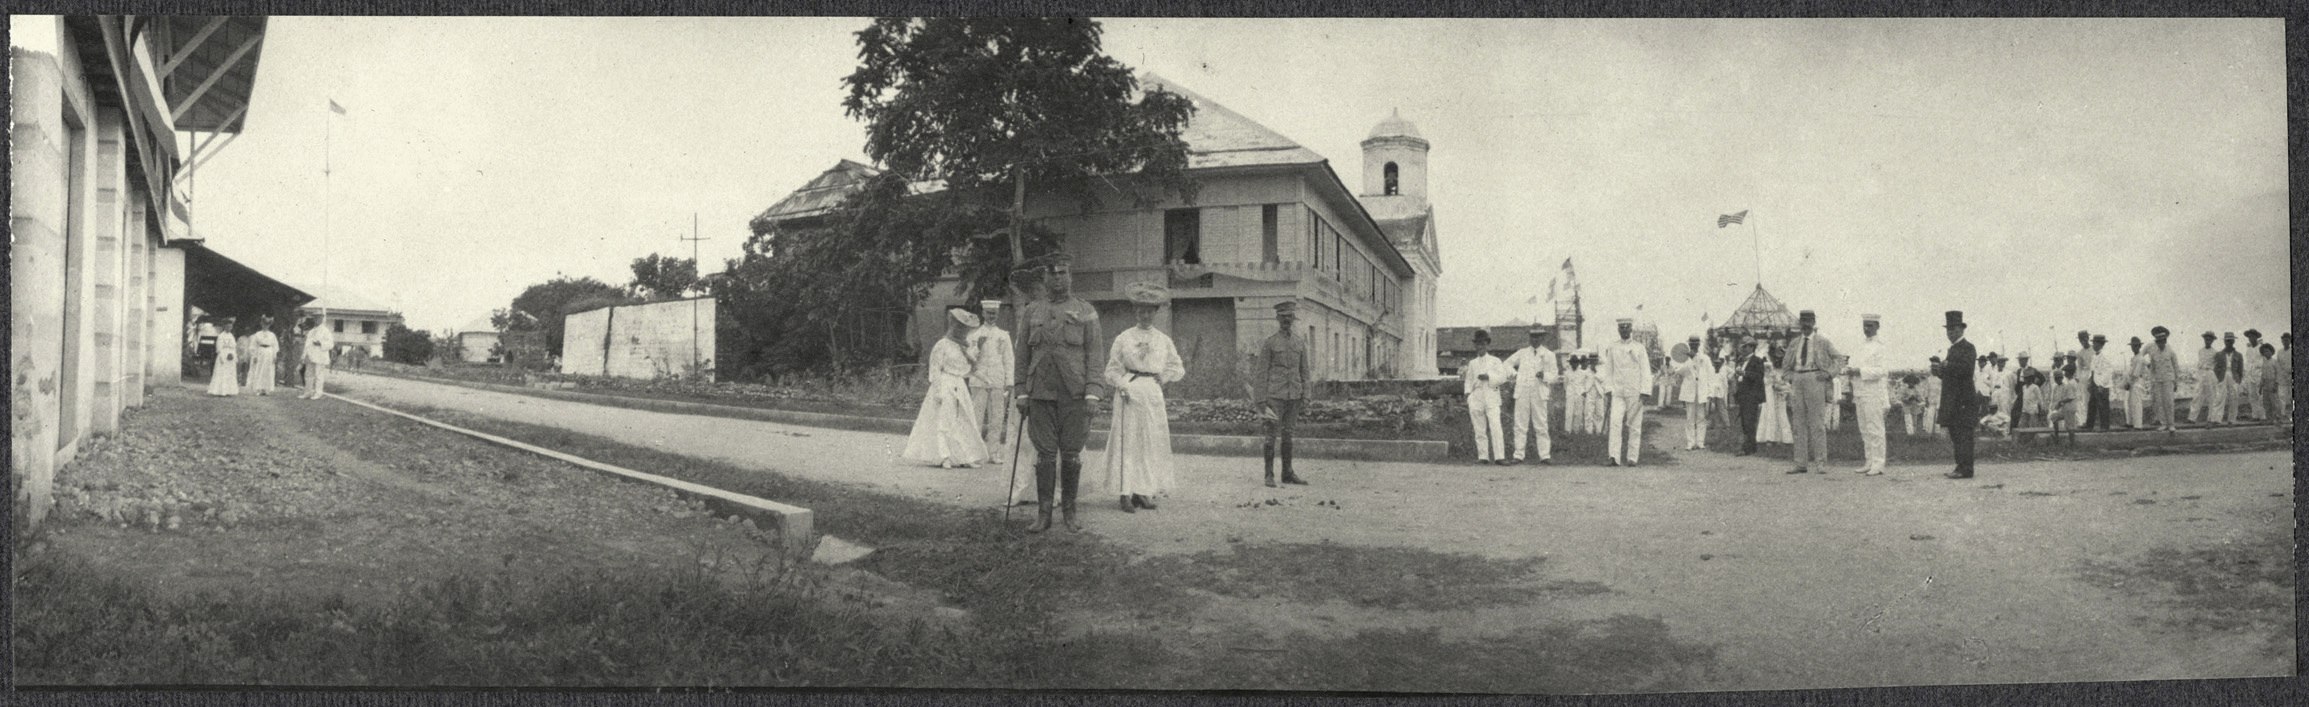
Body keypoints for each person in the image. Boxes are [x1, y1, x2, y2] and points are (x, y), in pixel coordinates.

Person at [1013, 256, 1105, 533]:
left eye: (1063, 273)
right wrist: (1020, 391)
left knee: (1072, 455)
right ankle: (1044, 515)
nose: (1058, 279)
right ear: (1045, 279)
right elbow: (1022, 355)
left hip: (1074, 394)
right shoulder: (1032, 311)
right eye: (1052, 275)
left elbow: (1095, 354)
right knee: (1044, 455)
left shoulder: (1085, 311)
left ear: (1070, 277)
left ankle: (1070, 512)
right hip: (1039, 392)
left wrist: (1093, 392)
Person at [1103, 281, 1186, 513]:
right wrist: (1121, 385)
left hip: (1152, 393)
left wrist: (1165, 378)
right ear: (1135, 311)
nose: (1145, 315)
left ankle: (1143, 491)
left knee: (1150, 442)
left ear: (1156, 312)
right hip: (1129, 391)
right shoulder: (1124, 337)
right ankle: (1124, 493)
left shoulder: (1163, 339)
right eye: (1141, 310)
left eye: (1150, 311)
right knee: (1127, 442)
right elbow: (1112, 370)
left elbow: (1177, 366)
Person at [903, 307, 990, 469]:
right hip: (945, 384)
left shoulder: (964, 347)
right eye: (960, 328)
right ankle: (945, 456)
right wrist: (938, 391)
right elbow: (935, 369)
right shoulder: (942, 345)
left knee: (964, 420)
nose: (962, 331)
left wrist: (986, 380)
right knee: (945, 420)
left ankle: (965, 456)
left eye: (965, 329)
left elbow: (968, 369)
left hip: (959, 386)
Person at [1249, 300, 1310, 488]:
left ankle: (1288, 473)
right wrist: (1260, 400)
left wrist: (1306, 395)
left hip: (1294, 397)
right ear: (1277, 318)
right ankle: (1269, 475)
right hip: (1275, 396)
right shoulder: (1270, 343)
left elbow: (1305, 372)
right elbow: (1261, 373)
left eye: (1289, 317)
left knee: (1288, 435)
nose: (1286, 320)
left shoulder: (1300, 343)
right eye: (1283, 317)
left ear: (1293, 319)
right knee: (1271, 436)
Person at [1783, 310, 1843, 474]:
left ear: (1814, 322)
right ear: (1799, 323)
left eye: (1809, 321)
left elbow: (1839, 358)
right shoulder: (1795, 343)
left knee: (1817, 423)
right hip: (1798, 380)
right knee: (1798, 423)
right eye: (1803, 321)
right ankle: (1800, 463)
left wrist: (1829, 373)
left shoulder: (1823, 341)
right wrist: (1790, 377)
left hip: (1815, 379)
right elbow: (1785, 364)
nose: (1806, 324)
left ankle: (1820, 463)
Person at [966, 298, 1016, 465]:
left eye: (994, 313)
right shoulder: (974, 335)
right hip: (979, 381)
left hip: (997, 381)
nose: (991, 316)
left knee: (997, 418)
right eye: (988, 313)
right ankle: (975, 453)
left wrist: (1009, 381)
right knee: (977, 417)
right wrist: (977, 347)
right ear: (983, 313)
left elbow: (1009, 360)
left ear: (998, 314)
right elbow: (969, 359)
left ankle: (993, 452)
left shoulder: (1003, 336)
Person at [1502, 328, 1560, 464]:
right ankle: (1518, 455)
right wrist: (1515, 375)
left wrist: (1544, 375)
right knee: (1520, 424)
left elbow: (1555, 375)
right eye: (1533, 336)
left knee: (1541, 424)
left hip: (1539, 391)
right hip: (1522, 391)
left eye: (1538, 336)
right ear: (1530, 337)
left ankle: (1545, 456)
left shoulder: (1549, 354)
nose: (1535, 339)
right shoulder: (1522, 353)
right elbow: (1506, 364)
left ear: (1542, 338)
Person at [1600, 317, 1653, 467]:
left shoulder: (1639, 347)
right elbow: (1608, 370)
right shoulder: (1612, 347)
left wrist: (1645, 391)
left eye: (1626, 328)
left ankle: (1632, 457)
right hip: (1618, 392)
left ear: (1631, 329)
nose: (1624, 330)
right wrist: (1608, 389)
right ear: (1618, 330)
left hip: (1635, 392)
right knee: (1615, 423)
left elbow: (1646, 371)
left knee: (1634, 425)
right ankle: (1614, 457)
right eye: (1621, 328)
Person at [1935, 311, 1979, 479]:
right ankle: (1960, 466)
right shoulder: (1953, 349)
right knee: (1956, 434)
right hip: (1954, 400)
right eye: (1948, 330)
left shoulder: (1968, 347)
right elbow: (1952, 374)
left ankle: (1966, 469)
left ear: (1961, 330)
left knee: (1964, 435)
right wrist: (1940, 371)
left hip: (1964, 401)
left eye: (1953, 329)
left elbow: (1967, 370)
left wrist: (1948, 365)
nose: (1950, 333)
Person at [1849, 314, 1890, 474]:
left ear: (1877, 326)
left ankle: (1879, 463)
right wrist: (1852, 371)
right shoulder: (1861, 346)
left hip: (1874, 392)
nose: (1866, 329)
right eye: (1865, 325)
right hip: (1860, 391)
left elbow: (1882, 371)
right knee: (1864, 429)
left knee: (1875, 428)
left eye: (1870, 326)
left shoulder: (1881, 346)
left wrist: (1860, 371)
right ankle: (1869, 461)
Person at [1462, 330, 1508, 465]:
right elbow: (1468, 380)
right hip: (1477, 396)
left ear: (1487, 345)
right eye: (1477, 344)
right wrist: (1468, 395)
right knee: (1479, 428)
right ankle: (1483, 457)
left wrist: (1489, 377)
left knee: (1495, 426)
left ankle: (1500, 457)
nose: (1480, 346)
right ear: (1475, 346)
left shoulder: (1495, 361)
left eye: (1483, 344)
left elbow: (1502, 378)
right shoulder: (1472, 363)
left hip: (1491, 394)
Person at [1733, 336, 1768, 455]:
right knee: (1744, 421)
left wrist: (1745, 373)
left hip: (1752, 395)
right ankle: (1750, 446)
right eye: (1742, 347)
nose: (1743, 349)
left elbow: (1759, 377)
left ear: (1752, 347)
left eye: (1745, 347)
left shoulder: (1757, 361)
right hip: (1743, 394)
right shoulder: (1740, 360)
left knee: (1749, 421)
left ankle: (1748, 447)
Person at [1675, 335, 1711, 451]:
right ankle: (1690, 442)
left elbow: (1710, 374)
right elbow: (1680, 371)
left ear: (1699, 344)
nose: (1694, 345)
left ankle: (1700, 442)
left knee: (1701, 417)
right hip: (1689, 390)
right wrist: (1690, 359)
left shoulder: (1705, 358)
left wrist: (1709, 392)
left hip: (1701, 390)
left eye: (1696, 343)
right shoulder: (1684, 359)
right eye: (1692, 343)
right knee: (1690, 417)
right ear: (1689, 344)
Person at [1758, 343, 1795, 447]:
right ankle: (1769, 437)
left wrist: (1783, 387)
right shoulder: (1768, 367)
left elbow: (1787, 382)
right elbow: (1765, 380)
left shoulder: (1785, 370)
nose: (1779, 360)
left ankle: (1784, 438)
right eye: (1777, 357)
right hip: (1770, 392)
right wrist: (1772, 382)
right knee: (1770, 412)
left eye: (1781, 358)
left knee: (1782, 413)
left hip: (1781, 392)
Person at [2145, 327, 2181, 432]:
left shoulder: (2171, 351)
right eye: (2158, 342)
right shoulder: (2153, 353)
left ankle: (2171, 424)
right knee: (2160, 403)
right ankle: (2163, 423)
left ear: (2165, 341)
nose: (2160, 343)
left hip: (2168, 380)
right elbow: (2152, 368)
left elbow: (2176, 367)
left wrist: (2176, 382)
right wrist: (2152, 380)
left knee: (2169, 402)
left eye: (2162, 341)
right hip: (2157, 380)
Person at [2212, 332, 2245, 425]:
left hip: (2234, 375)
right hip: (2222, 375)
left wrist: (2239, 379)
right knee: (2219, 396)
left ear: (2234, 341)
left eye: (2231, 340)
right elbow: (2216, 368)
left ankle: (2232, 419)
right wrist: (2218, 378)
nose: (2229, 342)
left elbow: (2240, 368)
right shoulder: (2219, 354)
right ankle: (2216, 419)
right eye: (2227, 341)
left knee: (2234, 397)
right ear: (2224, 342)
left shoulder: (2239, 355)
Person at [300, 317, 334, 400]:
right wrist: (304, 355)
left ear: (322, 319)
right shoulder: (311, 331)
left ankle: (318, 393)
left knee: (319, 375)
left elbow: (331, 344)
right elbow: (307, 345)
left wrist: (320, 343)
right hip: (311, 355)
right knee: (308, 375)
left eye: (318, 318)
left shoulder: (326, 331)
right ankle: (307, 393)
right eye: (315, 318)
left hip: (320, 356)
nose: (316, 320)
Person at [206, 318, 242, 397]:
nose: (229, 328)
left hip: (231, 355)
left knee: (230, 373)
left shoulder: (231, 336)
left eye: (230, 327)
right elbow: (219, 348)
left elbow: (234, 346)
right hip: (223, 354)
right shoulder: (221, 336)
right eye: (228, 327)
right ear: (224, 327)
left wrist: (233, 355)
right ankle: (220, 391)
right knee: (222, 372)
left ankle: (229, 390)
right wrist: (223, 356)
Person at [245, 316, 280, 396]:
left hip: (269, 352)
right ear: (261, 324)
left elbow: (275, 346)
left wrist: (274, 355)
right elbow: (253, 346)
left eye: (267, 324)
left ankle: (266, 389)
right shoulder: (257, 334)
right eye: (264, 324)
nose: (265, 326)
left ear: (269, 325)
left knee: (268, 370)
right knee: (259, 370)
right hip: (260, 352)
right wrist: (254, 356)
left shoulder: (272, 335)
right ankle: (259, 388)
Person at [2189, 332, 2218, 423]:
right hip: (2201, 373)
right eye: (2206, 339)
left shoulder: (2215, 352)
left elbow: (2216, 366)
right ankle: (2192, 418)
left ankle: (2211, 418)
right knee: (2197, 395)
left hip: (2210, 373)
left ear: (2212, 341)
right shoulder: (2200, 351)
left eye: (2210, 339)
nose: (2207, 341)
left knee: (2212, 396)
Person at [2121, 336, 2148, 428]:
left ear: (2139, 347)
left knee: (2136, 404)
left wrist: (2129, 383)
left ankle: (2138, 425)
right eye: (2132, 346)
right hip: (2133, 382)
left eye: (2136, 346)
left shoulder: (2140, 358)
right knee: (2130, 403)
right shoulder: (2135, 357)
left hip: (2137, 382)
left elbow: (2135, 374)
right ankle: (2131, 422)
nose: (2133, 347)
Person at [2241, 329, 2266, 421]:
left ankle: (2263, 416)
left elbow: (2265, 361)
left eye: (2252, 336)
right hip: (2250, 375)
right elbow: (2248, 362)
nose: (2251, 338)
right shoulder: (2249, 350)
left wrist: (2264, 375)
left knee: (2261, 395)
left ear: (2256, 337)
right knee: (2252, 395)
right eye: (2249, 337)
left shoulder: (2261, 348)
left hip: (2259, 374)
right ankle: (2255, 415)